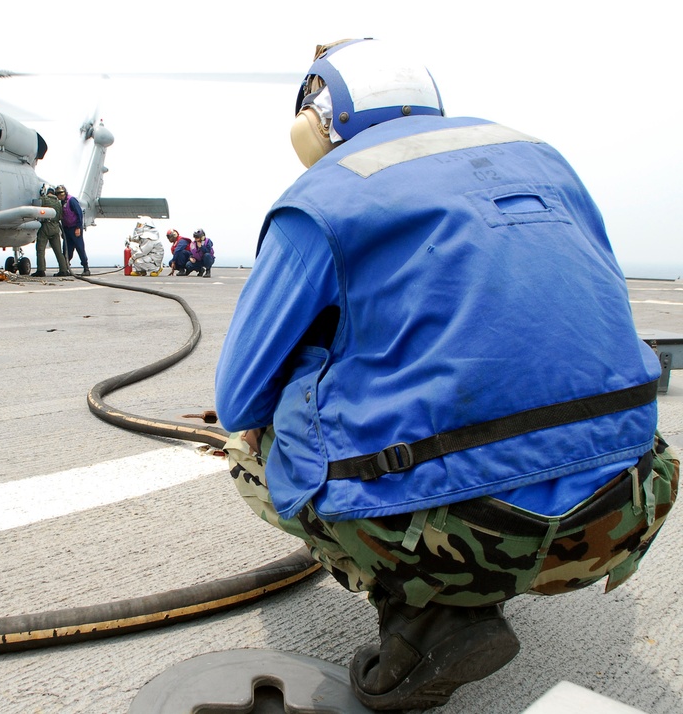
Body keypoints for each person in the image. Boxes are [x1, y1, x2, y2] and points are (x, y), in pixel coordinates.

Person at [214, 38, 678, 712]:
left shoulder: (322, 196)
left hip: (478, 533)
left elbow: (239, 398)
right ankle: (474, 576)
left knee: (249, 450)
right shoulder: (545, 159)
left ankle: (428, 618)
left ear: (318, 119)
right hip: (628, 506)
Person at [32, 185, 71, 278]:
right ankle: (63, 270)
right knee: (58, 251)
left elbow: (37, 207)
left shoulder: (44, 199)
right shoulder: (58, 203)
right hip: (56, 227)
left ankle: (41, 270)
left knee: (40, 249)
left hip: (46, 226)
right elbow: (60, 216)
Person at [55, 185, 90, 276]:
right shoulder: (61, 203)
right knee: (66, 250)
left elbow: (79, 214)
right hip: (67, 229)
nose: (59, 197)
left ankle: (86, 268)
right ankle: (65, 268)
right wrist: (63, 231)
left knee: (80, 248)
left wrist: (78, 228)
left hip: (75, 228)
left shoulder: (72, 200)